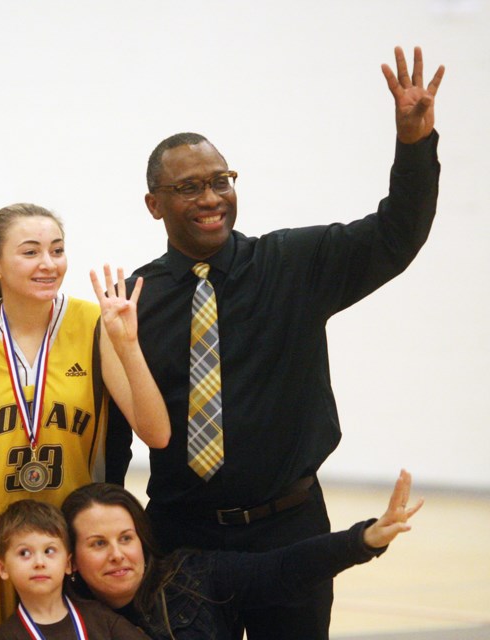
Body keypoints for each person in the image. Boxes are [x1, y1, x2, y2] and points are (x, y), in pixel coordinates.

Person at [104, 47, 444, 638]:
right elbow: (115, 429)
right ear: (154, 204)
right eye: (189, 187)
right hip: (183, 532)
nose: (210, 198)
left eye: (220, 181)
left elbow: (396, 234)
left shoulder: (294, 263)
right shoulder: (133, 300)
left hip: (292, 526)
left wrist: (413, 147)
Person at [0, 203, 171, 639]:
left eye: (57, 250)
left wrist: (128, 345)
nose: (48, 264)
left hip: (67, 547)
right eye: (30, 252)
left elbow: (156, 433)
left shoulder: (93, 324)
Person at [61, 472, 421, 639]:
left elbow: (282, 569)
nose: (117, 555)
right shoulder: (63, 619)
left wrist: (364, 540)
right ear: (71, 560)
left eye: (126, 538)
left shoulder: (192, 576)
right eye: (98, 544)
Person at [0, 499, 149, 640]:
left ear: (68, 564)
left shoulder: (99, 617)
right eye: (24, 553)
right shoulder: (7, 635)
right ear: (3, 568)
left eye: (49, 551)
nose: (39, 563)